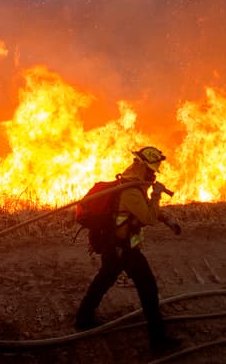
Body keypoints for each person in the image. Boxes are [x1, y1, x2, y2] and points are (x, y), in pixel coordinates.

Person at [75, 145, 184, 352]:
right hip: (124, 250)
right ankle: (158, 341)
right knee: (148, 289)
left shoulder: (132, 185)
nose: (153, 175)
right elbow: (148, 217)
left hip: (114, 247)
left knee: (104, 279)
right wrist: (157, 195)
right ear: (141, 167)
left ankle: (83, 318)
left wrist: (168, 219)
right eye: (151, 170)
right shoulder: (131, 191)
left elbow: (142, 211)